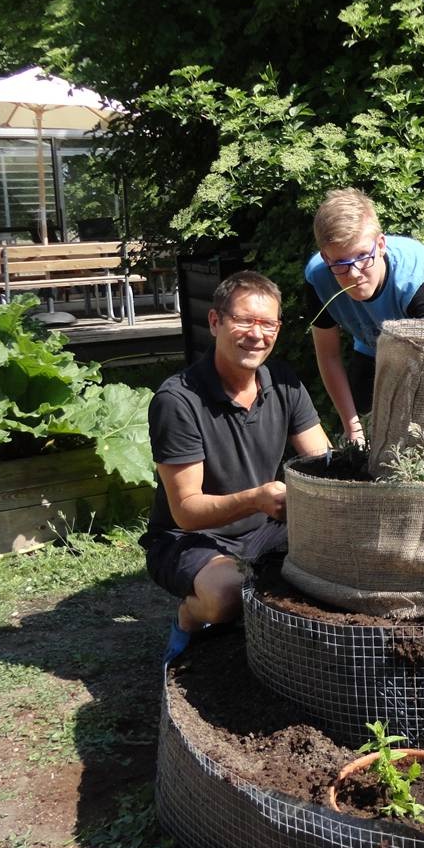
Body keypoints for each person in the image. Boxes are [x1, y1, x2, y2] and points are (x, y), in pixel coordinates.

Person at [142, 270, 331, 663]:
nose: (256, 334)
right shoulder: (178, 400)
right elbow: (186, 510)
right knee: (227, 597)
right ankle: (189, 616)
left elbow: (323, 464)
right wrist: (257, 499)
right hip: (187, 538)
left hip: (263, 531)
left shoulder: (283, 383)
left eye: (267, 324)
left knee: (337, 558)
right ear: (215, 322)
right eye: (244, 320)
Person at [305, 188, 424, 445]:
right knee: (363, 416)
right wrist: (354, 429)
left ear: (380, 245)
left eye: (362, 256)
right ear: (326, 257)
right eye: (340, 263)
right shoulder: (317, 278)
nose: (354, 273)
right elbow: (329, 355)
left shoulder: (416, 278)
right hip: (373, 337)